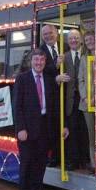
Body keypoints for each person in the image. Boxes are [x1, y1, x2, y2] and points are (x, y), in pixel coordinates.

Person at [13, 49, 57, 190]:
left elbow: (54, 106)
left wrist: (61, 126)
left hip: (45, 128)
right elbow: (17, 106)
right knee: (26, 164)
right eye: (36, 60)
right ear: (31, 61)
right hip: (27, 129)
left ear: (45, 62)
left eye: (42, 60)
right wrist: (21, 128)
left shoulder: (49, 79)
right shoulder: (22, 79)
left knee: (40, 164)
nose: (39, 63)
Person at [56, 29, 89, 171]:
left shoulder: (88, 54)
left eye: (76, 38)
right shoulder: (64, 57)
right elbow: (54, 75)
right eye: (71, 38)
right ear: (67, 41)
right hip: (70, 100)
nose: (74, 41)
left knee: (86, 130)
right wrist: (57, 77)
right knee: (72, 131)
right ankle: (73, 160)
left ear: (81, 39)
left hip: (86, 98)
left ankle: (86, 160)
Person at [39, 24, 64, 167]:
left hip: (65, 94)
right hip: (49, 97)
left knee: (66, 127)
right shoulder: (40, 51)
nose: (48, 36)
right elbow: (40, 71)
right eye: (45, 34)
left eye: (50, 33)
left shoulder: (65, 47)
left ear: (57, 33)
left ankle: (66, 157)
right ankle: (53, 158)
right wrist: (55, 66)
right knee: (52, 128)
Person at [78, 30, 96, 174]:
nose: (89, 42)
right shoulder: (83, 58)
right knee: (91, 135)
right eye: (87, 40)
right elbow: (81, 80)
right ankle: (94, 163)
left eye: (92, 39)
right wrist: (85, 97)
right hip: (86, 103)